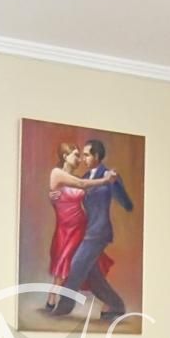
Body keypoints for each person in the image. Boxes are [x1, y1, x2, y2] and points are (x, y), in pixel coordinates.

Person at [49, 138, 131, 322]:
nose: (83, 159)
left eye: (86, 155)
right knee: (93, 277)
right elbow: (75, 189)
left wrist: (115, 183)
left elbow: (126, 203)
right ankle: (116, 305)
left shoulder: (109, 175)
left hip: (98, 231)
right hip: (85, 231)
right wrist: (54, 196)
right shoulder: (85, 177)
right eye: (81, 155)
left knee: (76, 266)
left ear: (96, 156)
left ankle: (64, 306)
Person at [44, 144, 112, 311]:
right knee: (64, 264)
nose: (80, 159)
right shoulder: (57, 173)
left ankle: (107, 303)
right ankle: (52, 300)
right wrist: (105, 180)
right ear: (65, 156)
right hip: (66, 229)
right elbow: (81, 184)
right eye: (75, 155)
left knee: (90, 266)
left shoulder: (73, 178)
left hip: (82, 228)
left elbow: (86, 192)